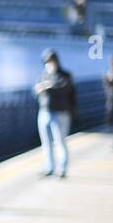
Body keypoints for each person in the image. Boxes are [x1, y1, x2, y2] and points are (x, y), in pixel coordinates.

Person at [34, 48, 75, 177]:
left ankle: (62, 169)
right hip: (44, 112)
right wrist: (42, 87)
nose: (49, 63)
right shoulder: (43, 75)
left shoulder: (64, 74)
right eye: (47, 61)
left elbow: (64, 88)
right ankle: (49, 168)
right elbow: (36, 90)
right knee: (46, 143)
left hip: (60, 113)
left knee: (59, 141)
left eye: (51, 61)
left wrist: (48, 86)